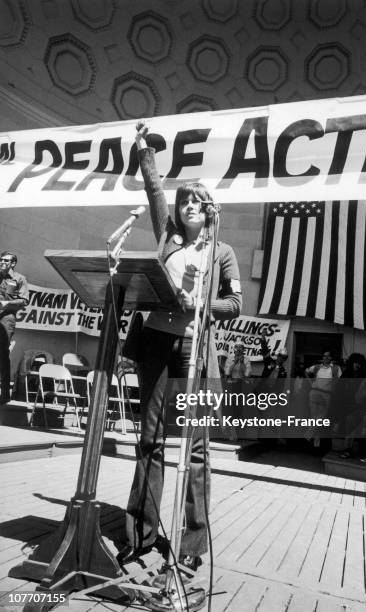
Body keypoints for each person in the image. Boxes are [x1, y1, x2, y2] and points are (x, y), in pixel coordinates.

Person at [118, 122, 242, 577]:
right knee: (149, 440)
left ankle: (191, 543)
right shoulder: (166, 236)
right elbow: (154, 191)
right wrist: (145, 151)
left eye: (196, 200)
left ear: (209, 209)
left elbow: (236, 302)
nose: (189, 206)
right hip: (155, 343)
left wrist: (204, 303)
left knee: (196, 451)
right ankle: (140, 534)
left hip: (194, 350)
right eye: (184, 200)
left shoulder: (223, 251)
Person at [0, 251, 29, 404]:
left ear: (13, 263)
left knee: (2, 354)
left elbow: (24, 301)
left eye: (6, 260)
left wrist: (8, 303)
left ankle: (4, 394)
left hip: (7, 318)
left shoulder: (19, 279)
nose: (2, 262)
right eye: (1, 260)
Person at [304, 350, 341, 448]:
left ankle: (308, 435)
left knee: (320, 418)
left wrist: (335, 388)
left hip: (327, 394)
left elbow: (341, 380)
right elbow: (306, 371)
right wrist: (310, 382)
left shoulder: (336, 368)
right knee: (315, 418)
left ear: (331, 358)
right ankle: (316, 444)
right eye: (324, 356)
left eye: (328, 356)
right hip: (314, 392)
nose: (326, 358)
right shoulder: (317, 367)